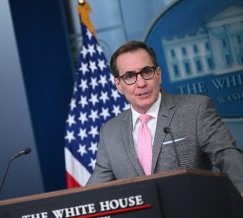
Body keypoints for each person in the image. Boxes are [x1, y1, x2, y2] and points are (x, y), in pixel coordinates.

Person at [86, 40, 243, 194]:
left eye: (147, 72)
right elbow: (93, 191)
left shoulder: (196, 109)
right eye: (129, 76)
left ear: (158, 75)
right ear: (119, 85)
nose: (141, 83)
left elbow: (229, 158)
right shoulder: (110, 132)